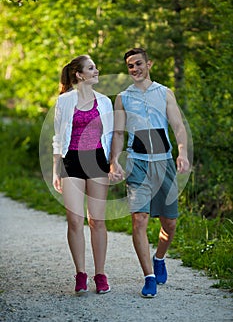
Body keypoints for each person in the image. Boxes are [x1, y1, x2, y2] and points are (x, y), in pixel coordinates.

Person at [109, 48, 189, 298]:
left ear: (149, 64)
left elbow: (177, 126)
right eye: (130, 66)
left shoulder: (164, 93)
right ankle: (149, 277)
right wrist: (114, 161)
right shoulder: (123, 97)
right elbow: (119, 133)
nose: (135, 69)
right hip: (138, 164)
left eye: (139, 64)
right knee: (139, 219)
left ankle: (159, 258)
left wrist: (183, 153)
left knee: (170, 223)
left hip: (163, 162)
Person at [52, 55, 113, 294]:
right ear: (79, 75)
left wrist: (112, 163)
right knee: (75, 220)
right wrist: (56, 169)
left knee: (97, 221)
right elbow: (58, 137)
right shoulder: (65, 101)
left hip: (96, 160)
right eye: (91, 68)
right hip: (72, 161)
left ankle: (100, 274)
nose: (97, 71)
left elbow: (112, 135)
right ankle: (80, 273)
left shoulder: (105, 102)